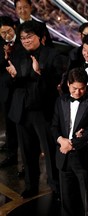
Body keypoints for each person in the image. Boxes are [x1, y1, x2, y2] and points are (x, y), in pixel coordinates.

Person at [6, 21, 62, 198]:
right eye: (22, 38)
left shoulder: (52, 54)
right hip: (22, 110)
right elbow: (13, 83)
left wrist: (40, 73)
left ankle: (55, 185)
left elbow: (56, 83)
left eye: (29, 37)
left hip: (43, 110)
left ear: (41, 37)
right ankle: (31, 186)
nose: (26, 41)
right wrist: (14, 77)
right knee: (27, 151)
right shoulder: (17, 54)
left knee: (50, 150)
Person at [51, 67, 88, 216]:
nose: (78, 92)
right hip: (63, 157)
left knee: (86, 200)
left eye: (82, 89)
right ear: (68, 84)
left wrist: (71, 143)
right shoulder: (61, 100)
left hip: (82, 157)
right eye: (74, 88)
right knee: (66, 202)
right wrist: (62, 141)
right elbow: (53, 126)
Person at [0, 16, 21, 168]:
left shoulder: (23, 40)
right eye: (2, 33)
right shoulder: (1, 44)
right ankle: (11, 156)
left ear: (14, 27)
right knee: (9, 125)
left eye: (8, 31)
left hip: (22, 89)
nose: (6, 35)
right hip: (7, 91)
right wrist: (5, 57)